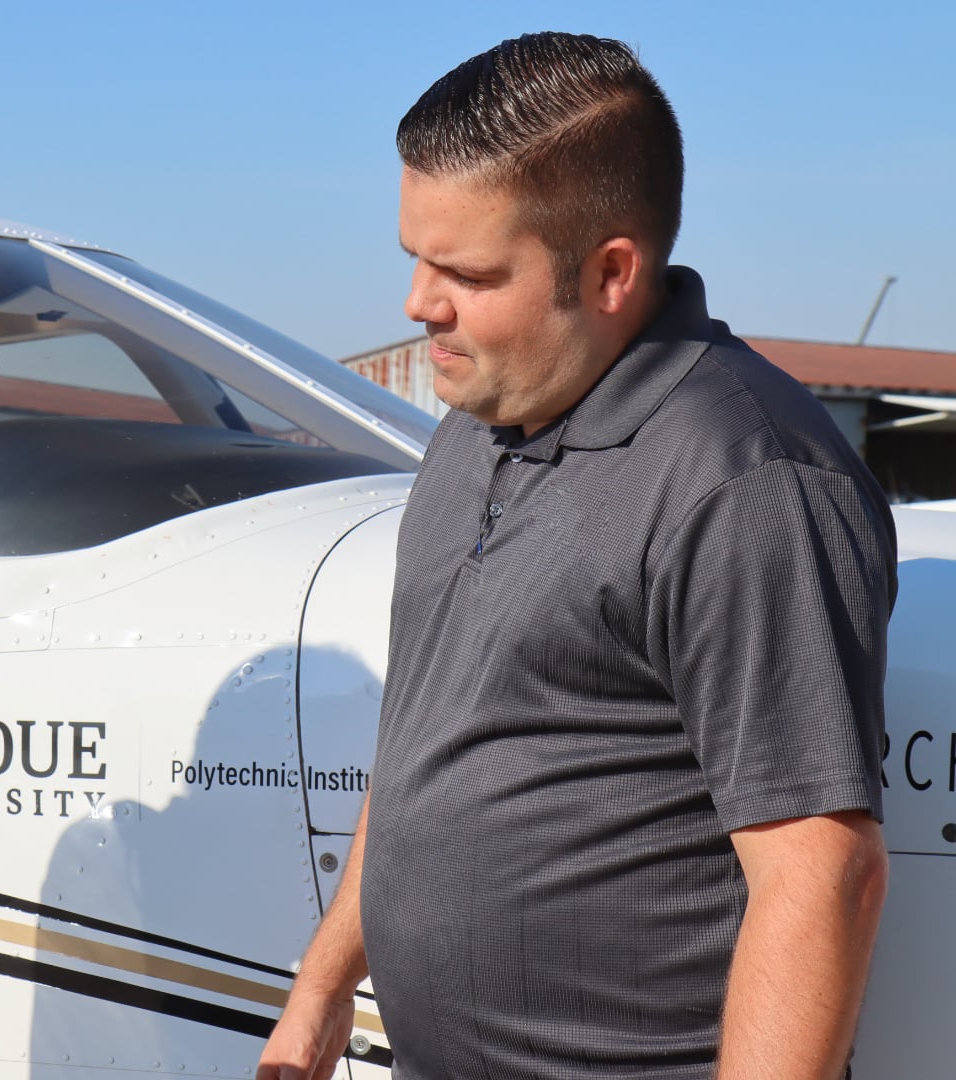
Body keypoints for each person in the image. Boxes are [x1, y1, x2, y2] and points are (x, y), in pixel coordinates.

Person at [258, 32, 893, 1080]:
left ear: (609, 273)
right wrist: (321, 995)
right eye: (415, 257)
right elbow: (431, 734)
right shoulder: (475, 426)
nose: (420, 303)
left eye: (465, 271)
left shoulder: (743, 481)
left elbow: (821, 878)